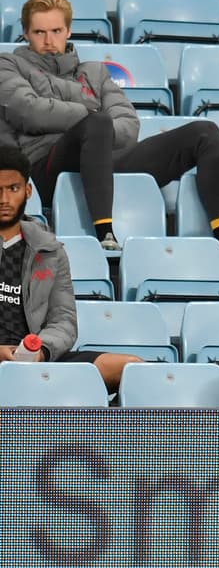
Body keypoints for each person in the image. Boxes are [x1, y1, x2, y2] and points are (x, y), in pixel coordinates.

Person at [0, 0, 219, 250]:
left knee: (205, 132)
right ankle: (104, 234)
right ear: (25, 33)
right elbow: (31, 112)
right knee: (98, 122)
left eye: (56, 30)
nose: (48, 40)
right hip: (45, 166)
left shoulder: (95, 72)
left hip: (103, 157)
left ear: (68, 30)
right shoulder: (9, 65)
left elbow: (128, 126)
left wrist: (95, 129)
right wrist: (90, 115)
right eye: (39, 32)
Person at [0, 146, 140, 388]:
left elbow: (63, 320)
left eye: (13, 189)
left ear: (28, 191)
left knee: (134, 369)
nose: (4, 199)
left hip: (36, 357)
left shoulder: (50, 250)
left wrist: (41, 350)